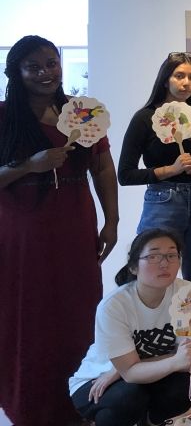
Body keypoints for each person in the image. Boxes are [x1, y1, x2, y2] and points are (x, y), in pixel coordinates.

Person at [0, 35, 119, 426]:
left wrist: (112, 221)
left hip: (74, 222)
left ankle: (78, 402)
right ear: (16, 72)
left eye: (51, 63)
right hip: (22, 231)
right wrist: (28, 166)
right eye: (33, 66)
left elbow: (103, 168)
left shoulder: (80, 113)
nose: (45, 72)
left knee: (79, 310)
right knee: (28, 314)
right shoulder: (4, 117)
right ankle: (30, 404)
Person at [69, 229, 191, 426]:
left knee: (182, 390)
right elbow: (135, 372)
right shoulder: (115, 305)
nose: (164, 263)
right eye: (153, 256)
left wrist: (122, 369)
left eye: (171, 255)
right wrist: (122, 370)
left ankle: (150, 422)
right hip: (96, 380)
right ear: (133, 267)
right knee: (128, 397)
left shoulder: (188, 294)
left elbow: (185, 357)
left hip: (137, 373)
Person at [118, 51, 191, 281]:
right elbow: (125, 175)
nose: (186, 83)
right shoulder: (145, 118)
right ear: (165, 79)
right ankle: (152, 318)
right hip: (163, 199)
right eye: (179, 76)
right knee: (154, 271)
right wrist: (169, 170)